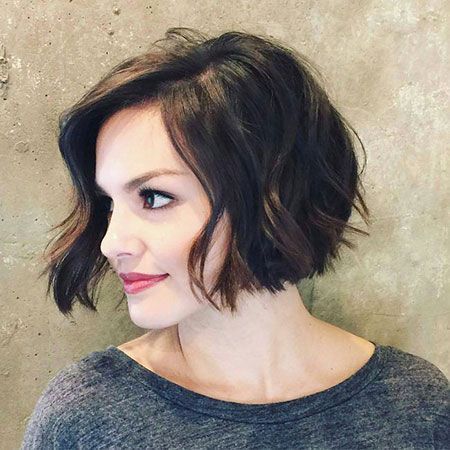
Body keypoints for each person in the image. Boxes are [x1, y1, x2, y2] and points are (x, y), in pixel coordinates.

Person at [21, 27, 448, 449]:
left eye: (153, 197)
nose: (111, 243)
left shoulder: (415, 408)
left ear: (272, 193)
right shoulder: (87, 416)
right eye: (109, 204)